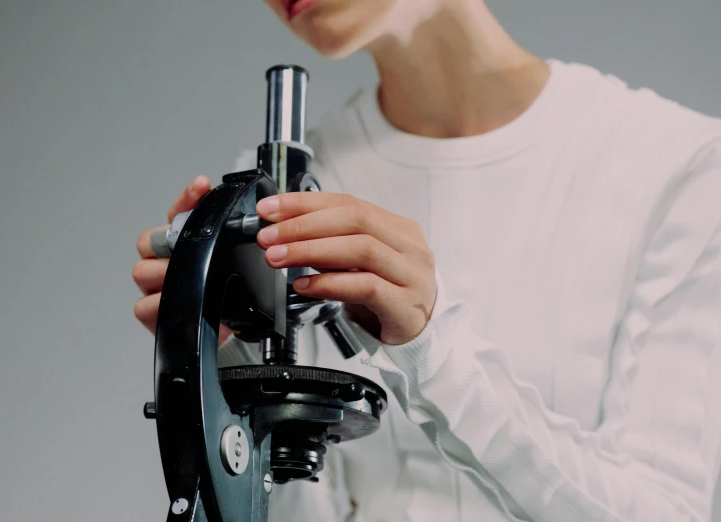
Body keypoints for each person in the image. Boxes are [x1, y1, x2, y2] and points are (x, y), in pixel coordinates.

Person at [132, 1, 721, 520]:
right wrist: (226, 367)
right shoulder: (288, 195)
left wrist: (432, 352)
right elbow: (298, 499)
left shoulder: (682, 169)